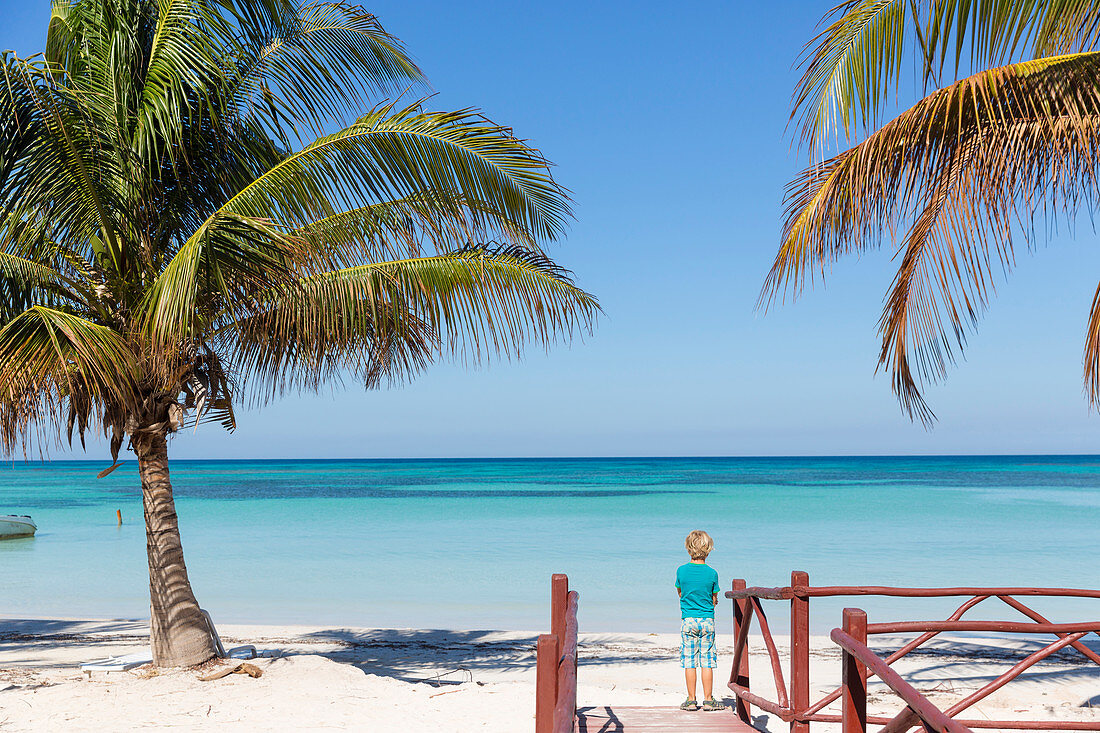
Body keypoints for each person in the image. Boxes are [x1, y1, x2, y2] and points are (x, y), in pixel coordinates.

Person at [675, 530, 725, 711]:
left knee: (689, 661)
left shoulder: (681, 571)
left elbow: (681, 593)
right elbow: (713, 598)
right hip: (707, 620)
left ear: (688, 549)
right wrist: (713, 601)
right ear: (708, 549)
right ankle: (708, 699)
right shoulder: (712, 573)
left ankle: (690, 699)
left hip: (688, 619)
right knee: (707, 660)